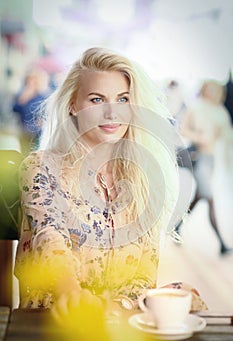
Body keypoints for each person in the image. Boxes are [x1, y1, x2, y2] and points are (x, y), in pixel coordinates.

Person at [14, 47, 207, 319]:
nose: (111, 113)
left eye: (122, 99)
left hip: (119, 327)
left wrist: (117, 309)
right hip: (49, 324)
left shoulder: (143, 179)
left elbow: (142, 276)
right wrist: (73, 294)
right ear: (73, 105)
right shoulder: (41, 167)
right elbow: (50, 239)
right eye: (96, 99)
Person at [178, 79, 232, 255]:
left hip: (211, 159)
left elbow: (227, 134)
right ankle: (222, 243)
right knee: (209, 198)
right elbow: (184, 130)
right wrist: (199, 136)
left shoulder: (219, 111)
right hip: (198, 158)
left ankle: (177, 227)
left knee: (200, 197)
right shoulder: (195, 108)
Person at [12, 68, 51, 155]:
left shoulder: (43, 95)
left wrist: (43, 119)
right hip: (24, 129)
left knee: (35, 153)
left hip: (37, 131)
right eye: (29, 81)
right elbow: (14, 109)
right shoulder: (23, 93)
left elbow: (47, 112)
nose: (31, 83)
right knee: (24, 152)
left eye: (33, 81)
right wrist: (23, 98)